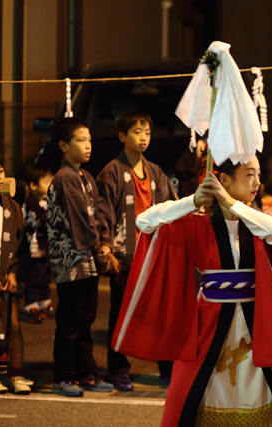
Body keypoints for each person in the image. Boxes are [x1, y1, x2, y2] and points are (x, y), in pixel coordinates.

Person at [111, 153, 272, 427]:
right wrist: (193, 201)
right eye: (249, 174)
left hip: (255, 325)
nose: (257, 181)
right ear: (224, 180)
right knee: (193, 390)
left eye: (258, 173)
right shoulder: (198, 223)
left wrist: (230, 203)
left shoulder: (256, 222)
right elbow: (144, 222)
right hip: (209, 321)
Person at [97, 110, 174, 391]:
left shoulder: (155, 172)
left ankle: (166, 365)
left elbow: (169, 207)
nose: (143, 138)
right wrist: (107, 250)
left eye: (147, 133)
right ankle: (117, 369)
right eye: (137, 132)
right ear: (122, 136)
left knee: (160, 312)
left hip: (153, 255)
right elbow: (103, 215)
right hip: (126, 254)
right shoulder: (112, 172)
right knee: (121, 313)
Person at [47, 117, 114, 397]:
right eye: (81, 140)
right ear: (64, 146)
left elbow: (97, 215)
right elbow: (79, 221)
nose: (88, 145)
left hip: (86, 260)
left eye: (89, 140)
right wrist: (99, 246)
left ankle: (86, 374)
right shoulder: (65, 178)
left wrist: (102, 242)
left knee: (86, 318)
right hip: (70, 262)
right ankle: (63, 376)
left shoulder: (86, 177)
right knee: (70, 321)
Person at [0, 147, 33, 395]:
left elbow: (21, 242)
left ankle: (17, 374)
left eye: (0, 171)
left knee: (14, 325)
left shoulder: (13, 207)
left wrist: (13, 273)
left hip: (7, 277)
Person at [18, 162, 54, 324]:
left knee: (46, 275)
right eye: (46, 182)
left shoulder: (49, 201)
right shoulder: (31, 203)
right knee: (35, 277)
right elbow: (36, 223)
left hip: (47, 247)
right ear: (33, 185)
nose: (50, 185)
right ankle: (30, 305)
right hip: (35, 248)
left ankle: (44, 301)